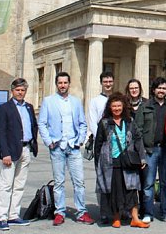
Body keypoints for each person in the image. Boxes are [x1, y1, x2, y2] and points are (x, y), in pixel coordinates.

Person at [38, 72, 94, 226]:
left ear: (69, 84)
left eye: (65, 83)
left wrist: (80, 140)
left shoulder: (76, 102)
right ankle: (59, 212)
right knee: (59, 182)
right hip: (57, 147)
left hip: (73, 147)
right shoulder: (49, 101)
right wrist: (49, 141)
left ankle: (81, 211)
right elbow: (42, 123)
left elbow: (83, 123)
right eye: (60, 83)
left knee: (79, 182)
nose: (62, 85)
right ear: (56, 84)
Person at [94, 92, 150, 228]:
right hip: (111, 162)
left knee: (131, 189)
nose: (117, 108)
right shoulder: (104, 123)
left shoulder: (129, 121)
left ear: (123, 106)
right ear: (110, 107)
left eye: (119, 106)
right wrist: (98, 164)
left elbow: (138, 139)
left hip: (128, 160)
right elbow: (98, 144)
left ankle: (135, 218)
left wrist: (142, 158)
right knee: (115, 191)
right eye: (114, 106)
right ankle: (116, 217)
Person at [0, 78, 38, 231]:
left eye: (23, 90)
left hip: (25, 149)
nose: (20, 93)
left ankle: (14, 214)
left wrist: (33, 144)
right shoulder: (4, 108)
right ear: (12, 91)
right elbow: (1, 132)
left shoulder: (29, 107)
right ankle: (2, 216)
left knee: (20, 185)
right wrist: (4, 152)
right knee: (6, 184)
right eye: (18, 90)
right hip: (11, 151)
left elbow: (33, 126)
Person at [127, 79, 158, 223]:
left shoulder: (147, 104)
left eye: (136, 87)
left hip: (145, 148)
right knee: (131, 181)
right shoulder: (125, 104)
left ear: (140, 89)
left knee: (145, 181)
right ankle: (131, 210)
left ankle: (146, 211)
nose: (134, 90)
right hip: (128, 148)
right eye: (131, 88)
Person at [144, 77, 166, 222]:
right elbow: (138, 129)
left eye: (164, 88)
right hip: (151, 149)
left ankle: (165, 212)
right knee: (148, 183)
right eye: (159, 88)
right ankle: (148, 213)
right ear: (153, 89)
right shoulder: (146, 106)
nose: (161, 90)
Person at [87, 71, 115, 224]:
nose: (108, 84)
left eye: (110, 81)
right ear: (101, 83)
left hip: (117, 144)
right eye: (106, 81)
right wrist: (103, 139)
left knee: (116, 178)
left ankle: (116, 208)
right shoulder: (95, 101)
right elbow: (92, 122)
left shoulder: (117, 99)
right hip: (102, 143)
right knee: (101, 177)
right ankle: (103, 210)